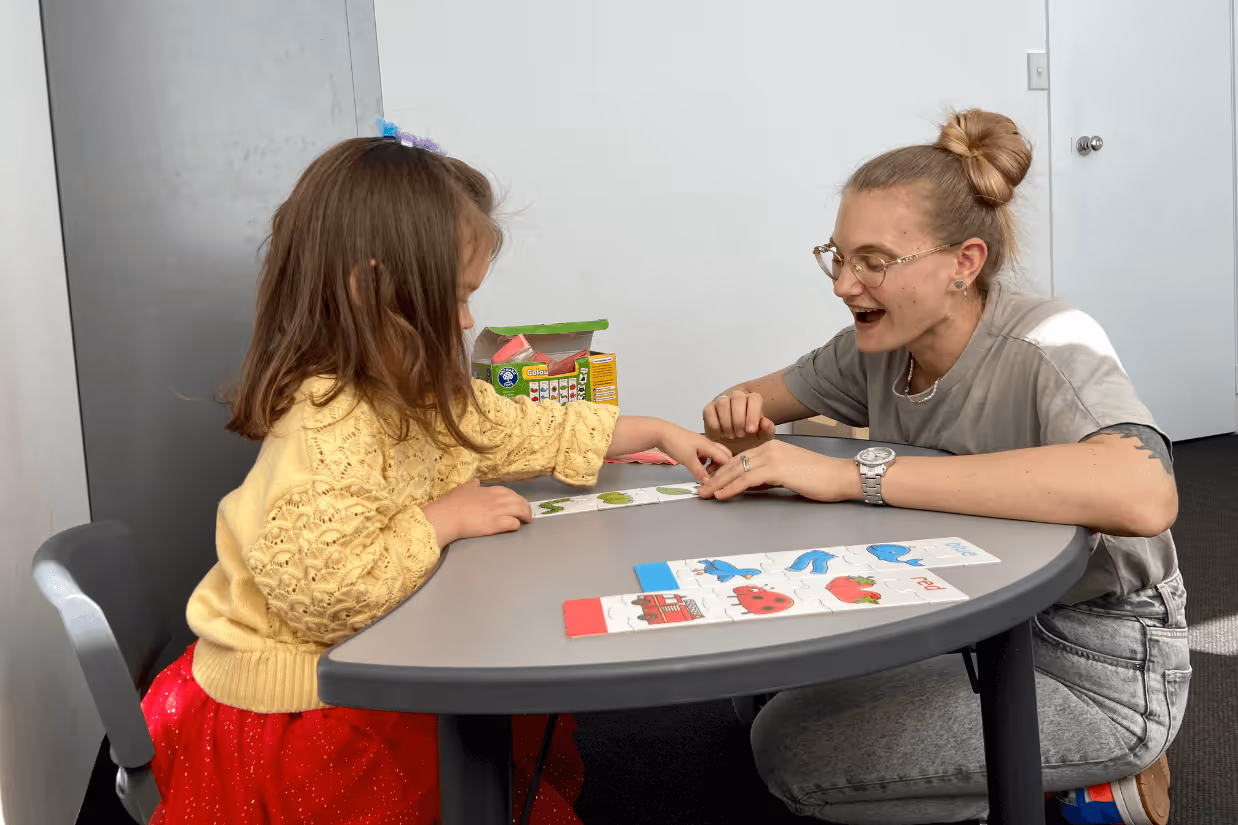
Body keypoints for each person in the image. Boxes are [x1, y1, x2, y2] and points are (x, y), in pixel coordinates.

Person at [140, 133, 731, 824]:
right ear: (370, 288)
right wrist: (441, 519)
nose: (468, 319)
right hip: (303, 705)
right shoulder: (325, 424)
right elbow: (328, 595)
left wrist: (655, 430)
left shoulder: (410, 385)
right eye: (452, 297)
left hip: (373, 654)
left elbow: (518, 427)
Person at [698, 110, 1189, 825]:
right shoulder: (875, 344)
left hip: (1097, 659)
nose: (844, 284)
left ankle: (1092, 772)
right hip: (970, 612)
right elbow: (746, 404)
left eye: (873, 261)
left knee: (789, 752)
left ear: (964, 262)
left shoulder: (1052, 341)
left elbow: (1145, 492)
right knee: (765, 679)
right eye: (836, 257)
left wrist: (855, 475)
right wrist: (735, 419)